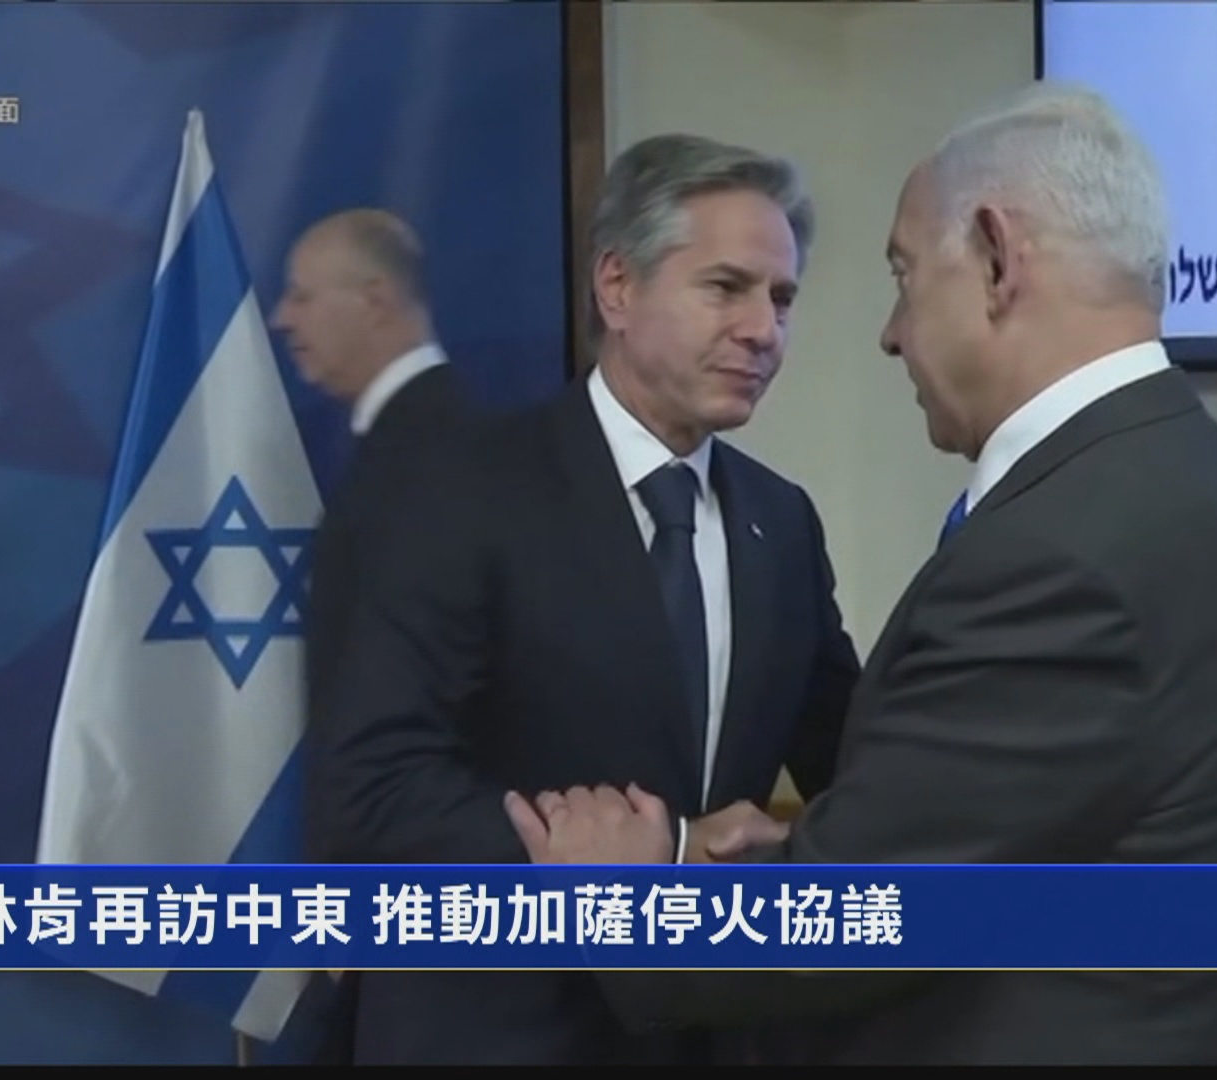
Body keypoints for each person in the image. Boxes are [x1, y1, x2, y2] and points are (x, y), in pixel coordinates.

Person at [503, 82, 1217, 1065]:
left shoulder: (1063, 558)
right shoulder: (1169, 478)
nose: (891, 331)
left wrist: (620, 896)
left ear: (996, 257)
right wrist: (813, 852)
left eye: (903, 275)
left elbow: (855, 923)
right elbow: (996, 836)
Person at [309, 133, 861, 1063]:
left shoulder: (783, 521)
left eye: (782, 298)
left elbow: (852, 761)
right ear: (617, 286)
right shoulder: (458, 490)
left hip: (708, 1037)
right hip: (492, 1033)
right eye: (726, 288)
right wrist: (669, 849)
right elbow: (374, 787)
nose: (764, 329)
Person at [270, 208, 477, 1064]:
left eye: (302, 295)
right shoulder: (413, 446)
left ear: (376, 298)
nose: (283, 317)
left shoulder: (432, 460)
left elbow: (412, 704)